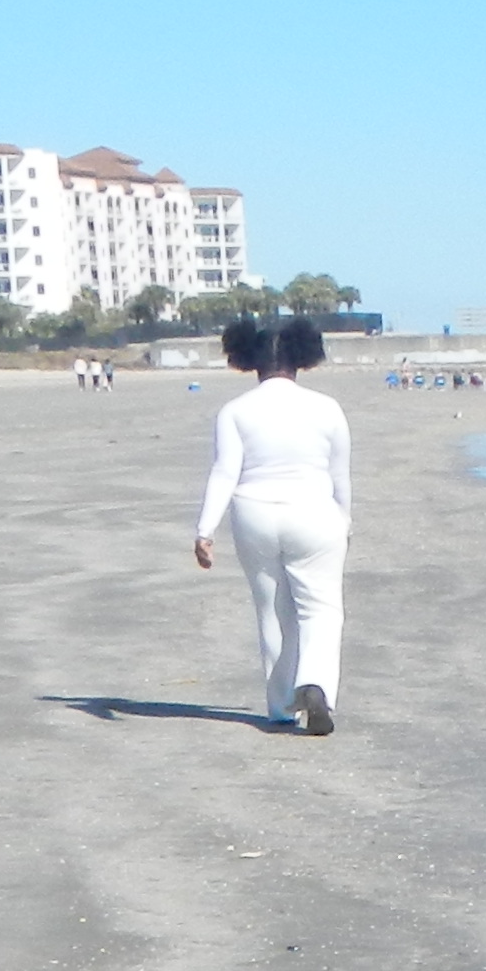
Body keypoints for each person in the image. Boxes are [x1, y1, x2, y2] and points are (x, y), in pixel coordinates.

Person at [192, 312, 350, 733]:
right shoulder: (327, 408)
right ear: (302, 359)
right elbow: (340, 476)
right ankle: (315, 683)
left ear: (249, 360)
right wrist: (345, 521)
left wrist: (205, 530)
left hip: (254, 513)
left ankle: (281, 705)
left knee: (272, 609)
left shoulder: (235, 411)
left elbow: (224, 471)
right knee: (321, 608)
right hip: (315, 513)